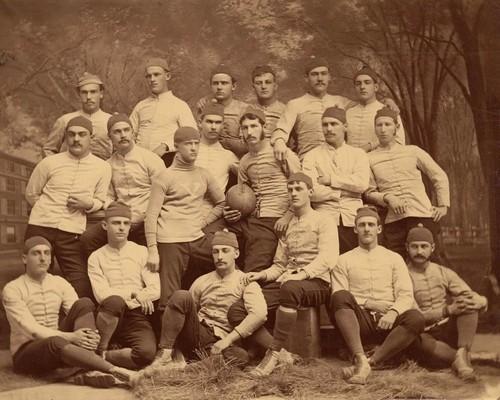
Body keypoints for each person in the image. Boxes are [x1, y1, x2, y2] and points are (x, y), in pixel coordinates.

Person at [233, 172, 338, 377]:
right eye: (290, 190)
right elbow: (280, 265)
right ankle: (283, 355)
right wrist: (261, 275)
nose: (294, 193)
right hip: (288, 282)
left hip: (317, 283)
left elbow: (328, 258)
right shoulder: (287, 225)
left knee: (289, 288)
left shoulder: (324, 220)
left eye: (299, 189)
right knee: (239, 308)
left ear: (310, 192)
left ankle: (271, 356)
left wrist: (302, 274)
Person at [2, 236, 138, 388]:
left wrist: (89, 336)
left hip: (58, 345)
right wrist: (72, 337)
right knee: (55, 342)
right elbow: (32, 330)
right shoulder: (13, 289)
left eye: (47, 253)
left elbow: (78, 310)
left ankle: (87, 370)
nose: (43, 258)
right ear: (24, 258)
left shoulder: (59, 282)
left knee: (84, 303)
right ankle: (115, 370)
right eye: (36, 253)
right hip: (26, 354)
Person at [142, 229, 267, 374]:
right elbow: (186, 309)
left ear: (236, 254)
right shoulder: (202, 280)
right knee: (181, 296)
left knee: (240, 357)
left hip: (223, 341)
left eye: (225, 251)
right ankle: (165, 354)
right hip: (198, 333)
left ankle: (180, 370)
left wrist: (228, 340)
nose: (220, 256)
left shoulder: (245, 281)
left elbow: (259, 314)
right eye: (215, 252)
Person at [330, 206, 425, 385]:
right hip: (360, 323)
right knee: (340, 296)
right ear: (355, 229)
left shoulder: (394, 258)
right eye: (362, 225)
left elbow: (405, 294)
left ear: (379, 229)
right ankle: (360, 355)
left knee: (416, 318)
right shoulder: (343, 260)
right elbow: (338, 292)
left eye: (371, 225)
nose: (367, 229)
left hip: (389, 323)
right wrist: (368, 303)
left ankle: (369, 363)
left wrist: (393, 312)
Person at [25, 116, 112, 299]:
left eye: (82, 134)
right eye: (71, 134)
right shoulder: (49, 162)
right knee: (36, 278)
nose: (76, 139)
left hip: (72, 231)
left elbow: (100, 199)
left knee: (81, 284)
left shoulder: (102, 167)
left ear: (91, 137)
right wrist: (46, 210)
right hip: (40, 227)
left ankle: (75, 314)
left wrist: (88, 204)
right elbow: (31, 193)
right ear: (65, 136)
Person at [144, 126, 225, 310]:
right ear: (176, 146)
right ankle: (168, 327)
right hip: (170, 241)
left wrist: (203, 222)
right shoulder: (164, 176)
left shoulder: (203, 174)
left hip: (197, 238)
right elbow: (151, 216)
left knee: (228, 262)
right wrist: (152, 250)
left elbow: (222, 202)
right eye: (188, 144)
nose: (194, 148)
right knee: (169, 298)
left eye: (197, 143)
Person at [364, 107, 450, 258]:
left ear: (396, 127)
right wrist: (387, 197)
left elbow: (439, 175)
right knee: (397, 263)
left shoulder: (413, 151)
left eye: (387, 124)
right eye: (379, 125)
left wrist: (443, 205)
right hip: (394, 221)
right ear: (375, 128)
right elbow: (369, 192)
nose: (383, 129)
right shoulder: (369, 158)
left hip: (421, 214)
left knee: (425, 261)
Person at [223, 107, 301, 273]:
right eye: (245, 128)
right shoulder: (245, 161)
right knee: (218, 237)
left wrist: (287, 216)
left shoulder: (281, 153)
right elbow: (242, 193)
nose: (249, 132)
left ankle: (249, 280)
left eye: (254, 126)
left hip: (277, 217)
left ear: (264, 128)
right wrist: (234, 213)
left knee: (255, 264)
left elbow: (302, 188)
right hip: (253, 218)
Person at [406, 224, 487, 381]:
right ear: (407, 248)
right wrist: (447, 310)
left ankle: (462, 354)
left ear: (432, 248)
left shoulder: (442, 271)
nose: (419, 251)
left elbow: (469, 294)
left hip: (448, 330)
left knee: (466, 302)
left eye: (424, 246)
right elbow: (414, 316)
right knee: (418, 342)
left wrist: (481, 301)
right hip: (424, 333)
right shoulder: (402, 275)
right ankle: (463, 359)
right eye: (414, 247)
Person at [80, 113, 166, 258]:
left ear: (133, 133)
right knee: (88, 239)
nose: (123, 135)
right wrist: (116, 211)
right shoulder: (108, 165)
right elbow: (107, 195)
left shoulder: (151, 159)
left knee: (147, 256)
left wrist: (144, 216)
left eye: (126, 130)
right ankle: (104, 268)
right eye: (117, 132)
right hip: (120, 219)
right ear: (110, 136)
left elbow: (163, 193)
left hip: (147, 220)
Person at [88, 202, 160, 370]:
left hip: (135, 315)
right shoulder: (96, 257)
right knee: (114, 301)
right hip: (108, 315)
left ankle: (103, 357)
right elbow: (102, 295)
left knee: (146, 354)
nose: (121, 227)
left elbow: (155, 289)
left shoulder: (142, 252)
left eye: (126, 223)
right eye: (116, 223)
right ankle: (102, 347)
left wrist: (141, 296)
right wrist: (135, 293)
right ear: (105, 225)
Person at [303, 106, 370, 254]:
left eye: (334, 124)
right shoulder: (312, 156)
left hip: (353, 218)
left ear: (345, 126)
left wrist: (331, 180)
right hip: (324, 219)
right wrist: (342, 192)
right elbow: (311, 193)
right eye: (325, 124)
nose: (329, 129)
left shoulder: (358, 154)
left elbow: (362, 184)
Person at [271, 57, 352, 161]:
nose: (320, 78)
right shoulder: (295, 104)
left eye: (323, 74)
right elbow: (282, 129)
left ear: (329, 77)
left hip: (339, 160)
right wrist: (279, 141)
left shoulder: (342, 102)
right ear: (306, 78)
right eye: (314, 74)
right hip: (308, 161)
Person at [130, 57, 197, 167]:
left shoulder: (180, 105)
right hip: (140, 163)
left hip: (168, 161)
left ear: (167, 76)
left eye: (156, 75)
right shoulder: (140, 106)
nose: (152, 79)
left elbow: (191, 135)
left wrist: (166, 146)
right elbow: (130, 133)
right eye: (149, 76)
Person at [42, 72, 112, 161]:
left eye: (93, 92)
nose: (88, 97)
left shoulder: (110, 121)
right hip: (70, 168)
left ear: (101, 94)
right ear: (79, 94)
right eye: (84, 92)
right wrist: (57, 167)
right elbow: (48, 149)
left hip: (102, 168)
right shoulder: (65, 120)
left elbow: (119, 153)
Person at [195, 103, 238, 220]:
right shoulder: (190, 150)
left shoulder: (229, 156)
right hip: (185, 208)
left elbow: (248, 179)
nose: (213, 127)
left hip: (213, 213)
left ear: (223, 125)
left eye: (218, 123)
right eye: (209, 122)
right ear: (200, 123)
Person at [346, 66, 405, 151]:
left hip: (379, 157)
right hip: (349, 158)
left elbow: (399, 142)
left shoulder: (388, 111)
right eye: (358, 84)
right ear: (354, 88)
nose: (362, 87)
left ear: (376, 87)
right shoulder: (348, 112)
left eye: (367, 83)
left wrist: (370, 146)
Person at [196, 64, 249, 158]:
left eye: (224, 83)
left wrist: (227, 140)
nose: (219, 87)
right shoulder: (204, 106)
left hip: (235, 159)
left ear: (233, 86)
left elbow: (247, 147)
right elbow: (197, 138)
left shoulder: (244, 109)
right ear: (211, 86)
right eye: (215, 83)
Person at [250, 65, 286, 138]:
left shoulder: (286, 110)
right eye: (258, 83)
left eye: (268, 82)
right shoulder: (248, 110)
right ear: (253, 88)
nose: (263, 86)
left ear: (275, 86)